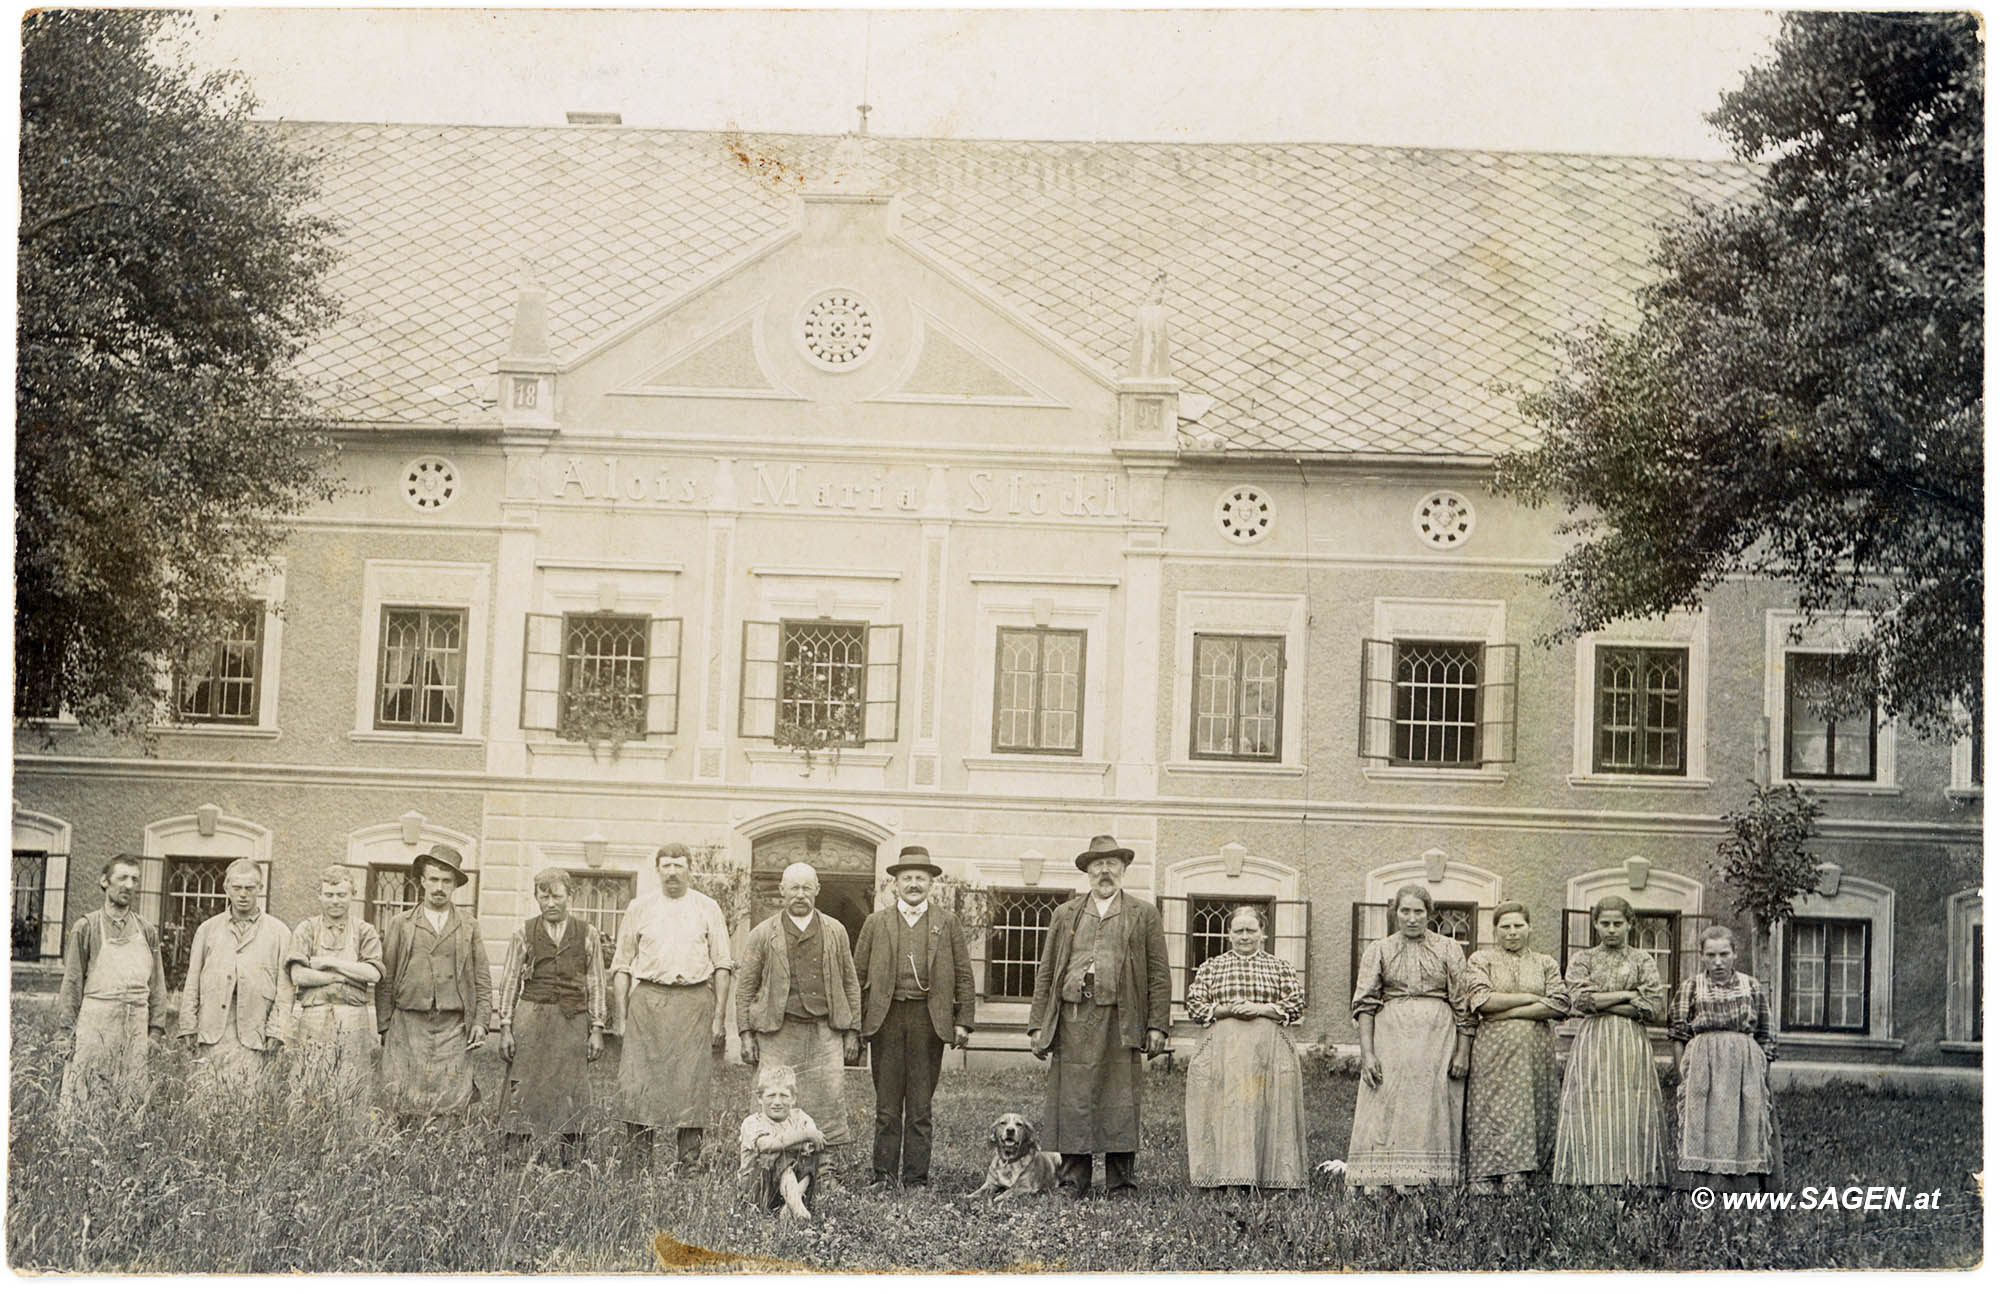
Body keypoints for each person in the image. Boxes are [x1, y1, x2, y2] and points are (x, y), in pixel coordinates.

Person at [1027, 833, 1170, 1197]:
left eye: (1112, 864)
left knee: (1120, 1097)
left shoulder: (1144, 914)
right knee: (1073, 1098)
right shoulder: (1066, 914)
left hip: (1122, 1018)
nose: (1105, 871)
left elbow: (1158, 973)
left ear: (1123, 869)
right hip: (1074, 1016)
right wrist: (1036, 1024)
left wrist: (1157, 1024)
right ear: (1087, 872)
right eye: (1097, 865)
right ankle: (1074, 1181)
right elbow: (1047, 971)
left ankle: (1121, 1183)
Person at [854, 845, 975, 1190]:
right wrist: (857, 1025)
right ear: (894, 884)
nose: (913, 884)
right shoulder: (875, 923)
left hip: (928, 1020)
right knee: (887, 1105)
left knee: (920, 1107)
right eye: (906, 878)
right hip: (887, 1019)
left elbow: (965, 975)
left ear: (931, 884)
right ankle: (883, 1176)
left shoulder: (947, 923)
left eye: (920, 878)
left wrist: (962, 1020)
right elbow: (857, 974)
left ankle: (917, 1178)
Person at [611, 842, 735, 1171]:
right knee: (639, 1081)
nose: (672, 872)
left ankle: (689, 1165)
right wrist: (621, 1017)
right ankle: (638, 1163)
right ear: (658, 870)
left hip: (694, 1000)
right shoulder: (639, 907)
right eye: (666, 866)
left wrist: (719, 1017)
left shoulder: (708, 908)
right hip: (647, 1001)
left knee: (691, 1082)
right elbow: (621, 965)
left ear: (689, 869)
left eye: (679, 865)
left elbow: (722, 964)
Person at [1347, 883, 1473, 1193]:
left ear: (1430, 914)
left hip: (1437, 1037)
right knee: (1387, 1098)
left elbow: (1463, 1003)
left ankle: (1430, 1179)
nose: (1412, 918)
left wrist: (1463, 1051)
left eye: (1419, 912)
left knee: (1431, 1101)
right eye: (1405, 911)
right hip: (1390, 1035)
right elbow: (1365, 1003)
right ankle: (1382, 1178)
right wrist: (1368, 1053)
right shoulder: (1379, 949)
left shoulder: (1448, 948)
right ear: (1395, 913)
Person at [736, 861, 862, 1148]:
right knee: (774, 1094)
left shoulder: (835, 931)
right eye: (794, 888)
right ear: (782, 890)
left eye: (807, 888)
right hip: (777, 1032)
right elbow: (745, 987)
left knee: (828, 1097)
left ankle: (825, 1167)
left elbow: (850, 983)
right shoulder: (763, 933)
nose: (800, 894)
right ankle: (768, 1159)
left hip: (825, 1030)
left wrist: (853, 1030)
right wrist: (746, 1034)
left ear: (817, 890)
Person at [1182, 905, 1308, 1191]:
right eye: (1238, 931)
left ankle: (1271, 1178)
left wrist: (1261, 1008)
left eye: (1251, 930)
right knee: (1227, 1109)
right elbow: (1195, 1004)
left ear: (1262, 934)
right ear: (1229, 935)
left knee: (1265, 1108)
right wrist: (1226, 1010)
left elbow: (1296, 1003)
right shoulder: (1211, 967)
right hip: (1223, 1053)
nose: (1244, 936)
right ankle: (1223, 1177)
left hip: (1268, 1054)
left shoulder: (1279, 967)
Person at [1554, 895, 1668, 1187]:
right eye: (1605, 923)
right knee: (1592, 1101)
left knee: (1630, 1103)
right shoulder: (1584, 959)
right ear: (1595, 925)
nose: (1612, 929)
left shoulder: (1642, 959)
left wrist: (1603, 1001)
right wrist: (1627, 995)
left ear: (1630, 924)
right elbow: (1579, 1001)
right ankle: (1588, 1176)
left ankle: (1634, 1177)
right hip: (1594, 1040)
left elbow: (1653, 1006)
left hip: (1630, 1041)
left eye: (1618, 923)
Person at [497, 867, 608, 1164]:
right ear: (536, 898)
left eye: (556, 896)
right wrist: (506, 1027)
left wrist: (597, 1027)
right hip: (531, 1017)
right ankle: (516, 1156)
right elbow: (509, 981)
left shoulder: (588, 934)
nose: (550, 903)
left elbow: (596, 981)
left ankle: (573, 1158)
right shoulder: (524, 931)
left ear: (570, 896)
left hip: (572, 1020)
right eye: (543, 897)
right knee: (523, 1084)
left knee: (572, 1087)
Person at [376, 843, 492, 1125]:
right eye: (434, 879)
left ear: (455, 886)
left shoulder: (468, 926)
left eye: (447, 881)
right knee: (402, 1094)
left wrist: (481, 1021)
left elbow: (481, 978)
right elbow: (386, 976)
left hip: (453, 1026)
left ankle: (444, 1156)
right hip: (408, 1021)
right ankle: (400, 1155)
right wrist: (384, 1024)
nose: (439, 887)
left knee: (451, 1098)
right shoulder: (401, 924)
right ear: (422, 881)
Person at [1463, 901, 1568, 1194]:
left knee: (1531, 1106)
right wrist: (1532, 998)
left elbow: (1560, 1003)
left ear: (1529, 927)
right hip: (1493, 1050)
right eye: (1505, 927)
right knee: (1493, 1108)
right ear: (1495, 930)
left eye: (1518, 926)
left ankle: (1525, 1176)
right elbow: (1482, 1001)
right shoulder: (1480, 960)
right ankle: (1486, 1177)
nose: (1512, 933)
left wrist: (1506, 1010)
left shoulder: (1545, 963)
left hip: (1535, 1049)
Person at [55, 855, 168, 1125]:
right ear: (104, 882)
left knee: (130, 1098)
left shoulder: (147, 930)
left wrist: (155, 1031)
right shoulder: (86, 927)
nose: (129, 885)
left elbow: (157, 984)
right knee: (85, 1093)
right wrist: (64, 1033)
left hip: (135, 1024)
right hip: (96, 1021)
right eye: (122, 878)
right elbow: (72, 983)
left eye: (134, 879)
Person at [1669, 925, 1780, 1192]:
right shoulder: (1691, 986)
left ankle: (1745, 1185)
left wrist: (1763, 1073)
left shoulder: (1751, 985)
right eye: (1710, 955)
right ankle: (1702, 1185)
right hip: (1702, 1063)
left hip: (1744, 1063)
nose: (1717, 962)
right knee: (1703, 1121)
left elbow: (1765, 1031)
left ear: (1735, 954)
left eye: (1724, 954)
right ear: (1702, 956)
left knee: (1746, 1118)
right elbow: (1678, 1032)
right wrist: (1683, 1074)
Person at [177, 858, 293, 1107]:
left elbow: (285, 989)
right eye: (237, 887)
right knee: (206, 1103)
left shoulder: (279, 932)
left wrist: (277, 1030)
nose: (243, 894)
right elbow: (193, 979)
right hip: (212, 1031)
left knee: (248, 1106)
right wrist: (188, 1024)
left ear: (260, 888)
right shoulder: (208, 930)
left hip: (254, 1033)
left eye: (250, 888)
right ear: (226, 888)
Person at [284, 866, 385, 1126]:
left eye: (341, 894)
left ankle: (350, 1142)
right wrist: (342, 977)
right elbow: (299, 976)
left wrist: (328, 962)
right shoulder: (306, 929)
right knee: (308, 1082)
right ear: (319, 896)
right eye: (329, 894)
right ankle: (304, 1140)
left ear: (352, 894)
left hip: (353, 1016)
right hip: (314, 1016)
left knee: (352, 1083)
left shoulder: (365, 931)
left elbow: (372, 973)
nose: (335, 901)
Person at [737, 1064, 825, 1221]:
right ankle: (797, 1209)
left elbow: (815, 1145)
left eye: (784, 1096)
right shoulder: (752, 1122)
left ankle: (791, 1204)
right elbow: (766, 1145)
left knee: (812, 1156)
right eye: (771, 1095)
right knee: (778, 1154)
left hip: (794, 1188)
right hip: (759, 1191)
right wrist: (805, 1136)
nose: (777, 1102)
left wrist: (803, 1140)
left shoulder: (801, 1118)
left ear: (793, 1098)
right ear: (759, 1098)